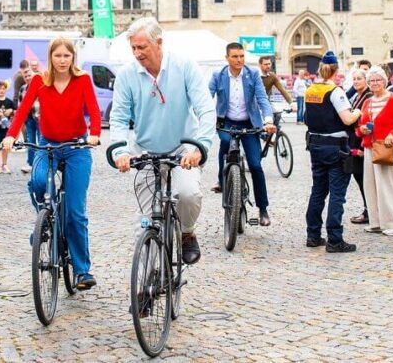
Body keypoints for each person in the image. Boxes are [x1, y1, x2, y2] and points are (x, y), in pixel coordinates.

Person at [110, 17, 216, 266]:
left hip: (183, 149)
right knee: (145, 223)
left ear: (159, 43)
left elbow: (206, 110)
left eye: (142, 47)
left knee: (188, 193)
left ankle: (187, 232)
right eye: (133, 48)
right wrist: (120, 151)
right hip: (146, 151)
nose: (137, 53)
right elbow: (118, 118)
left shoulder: (184, 66)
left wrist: (200, 147)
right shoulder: (127, 75)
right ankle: (145, 288)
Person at [2, 38, 102, 290]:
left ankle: (82, 270)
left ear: (72, 58)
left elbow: (94, 110)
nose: (62, 60)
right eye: (57, 56)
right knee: (37, 182)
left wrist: (95, 134)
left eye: (66, 56)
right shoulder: (39, 81)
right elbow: (23, 110)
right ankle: (45, 220)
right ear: (50, 57)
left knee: (75, 213)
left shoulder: (83, 80)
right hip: (47, 145)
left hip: (77, 147)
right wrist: (10, 135)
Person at [208, 42, 276, 226]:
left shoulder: (252, 74)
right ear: (227, 58)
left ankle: (263, 208)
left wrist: (268, 120)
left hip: (249, 123)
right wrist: (205, 119)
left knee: (255, 165)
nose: (239, 60)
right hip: (226, 122)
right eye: (235, 56)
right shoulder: (218, 75)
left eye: (242, 56)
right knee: (225, 143)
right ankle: (223, 180)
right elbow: (207, 99)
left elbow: (262, 98)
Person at [304, 51, 363, 252]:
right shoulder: (335, 91)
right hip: (335, 147)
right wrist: (358, 111)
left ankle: (313, 235)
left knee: (318, 191)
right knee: (337, 194)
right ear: (336, 71)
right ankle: (334, 239)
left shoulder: (311, 90)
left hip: (315, 145)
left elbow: (306, 117)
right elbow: (347, 119)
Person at [357, 66, 393, 237]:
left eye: (378, 80)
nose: (375, 83)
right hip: (370, 146)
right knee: (370, 184)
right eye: (372, 81)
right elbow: (360, 125)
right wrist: (362, 129)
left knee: (388, 184)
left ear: (384, 81)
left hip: (387, 148)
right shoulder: (367, 102)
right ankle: (376, 221)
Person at [345, 68, 371, 224]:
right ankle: (368, 208)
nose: (355, 82)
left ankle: (369, 210)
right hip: (354, 139)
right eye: (354, 79)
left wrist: (361, 147)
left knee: (362, 176)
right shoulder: (358, 96)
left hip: (361, 140)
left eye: (359, 79)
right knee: (359, 176)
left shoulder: (367, 96)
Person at [16, 65, 41, 172]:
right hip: (29, 119)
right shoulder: (23, 88)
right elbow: (20, 104)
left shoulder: (41, 86)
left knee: (41, 142)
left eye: (29, 75)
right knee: (31, 141)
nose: (28, 78)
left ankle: (41, 164)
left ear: (34, 75)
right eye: (25, 76)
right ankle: (30, 163)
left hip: (40, 118)